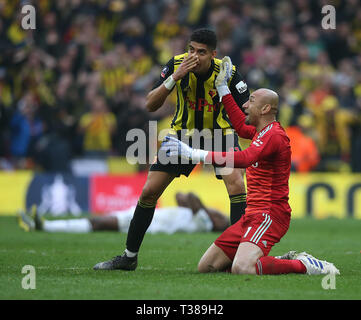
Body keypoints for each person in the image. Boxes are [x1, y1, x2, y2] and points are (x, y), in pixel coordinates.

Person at [161, 56, 340, 276]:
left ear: (265, 109)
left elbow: (245, 158)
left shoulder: (275, 135)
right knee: (206, 266)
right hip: (251, 215)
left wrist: (193, 154)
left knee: (242, 268)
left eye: (251, 100)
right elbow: (238, 124)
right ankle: (277, 260)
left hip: (269, 214)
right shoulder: (260, 132)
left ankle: (304, 264)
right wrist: (223, 89)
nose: (245, 104)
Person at [93, 29, 249, 271]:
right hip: (181, 136)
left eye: (201, 52)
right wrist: (175, 77)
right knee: (148, 192)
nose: (194, 56)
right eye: (191, 49)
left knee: (237, 184)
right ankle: (128, 257)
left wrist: (224, 93)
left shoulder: (228, 72)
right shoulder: (176, 65)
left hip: (220, 134)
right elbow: (150, 104)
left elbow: (246, 114)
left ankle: (239, 258)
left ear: (213, 54)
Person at [17, 193, 229, 234]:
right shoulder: (199, 216)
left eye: (219, 216)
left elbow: (189, 196)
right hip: (147, 218)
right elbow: (182, 196)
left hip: (146, 224)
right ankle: (43, 226)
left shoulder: (205, 224)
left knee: (98, 223)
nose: (216, 213)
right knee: (98, 223)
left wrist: (204, 208)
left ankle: (44, 226)